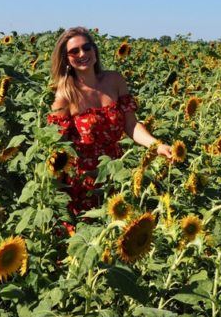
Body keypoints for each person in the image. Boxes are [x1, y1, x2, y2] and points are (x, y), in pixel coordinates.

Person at [47, 27, 173, 227]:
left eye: (86, 47)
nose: (82, 54)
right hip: (83, 182)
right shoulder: (64, 94)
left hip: (115, 172)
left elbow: (131, 125)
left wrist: (156, 145)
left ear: (95, 50)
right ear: (66, 59)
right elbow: (55, 144)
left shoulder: (114, 80)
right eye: (74, 51)